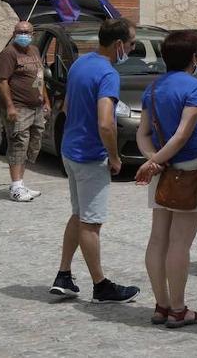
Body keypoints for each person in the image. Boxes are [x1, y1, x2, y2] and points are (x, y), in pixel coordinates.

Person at [49, 17, 141, 303]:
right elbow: (105, 122)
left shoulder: (81, 62)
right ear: (118, 44)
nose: (133, 47)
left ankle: (64, 275)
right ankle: (101, 285)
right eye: (132, 43)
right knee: (91, 222)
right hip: (90, 156)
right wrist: (114, 156)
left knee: (79, 214)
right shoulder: (108, 74)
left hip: (70, 150)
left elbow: (66, 106)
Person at [134, 31, 197, 329]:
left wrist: (153, 160)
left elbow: (142, 133)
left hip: (161, 169)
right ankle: (179, 309)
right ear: (195, 57)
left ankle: (162, 304)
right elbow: (183, 134)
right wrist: (156, 161)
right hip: (188, 166)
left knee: (157, 238)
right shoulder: (196, 87)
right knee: (180, 242)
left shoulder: (152, 88)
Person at [0, 20, 49, 202]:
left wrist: (46, 101)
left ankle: (20, 183)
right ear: (14, 33)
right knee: (18, 143)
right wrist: (10, 106)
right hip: (19, 107)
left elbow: (40, 78)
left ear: (32, 34)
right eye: (20, 31)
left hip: (36, 107)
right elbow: (2, 82)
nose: (23, 35)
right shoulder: (8, 53)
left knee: (32, 145)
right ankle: (16, 187)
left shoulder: (34, 51)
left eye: (27, 32)